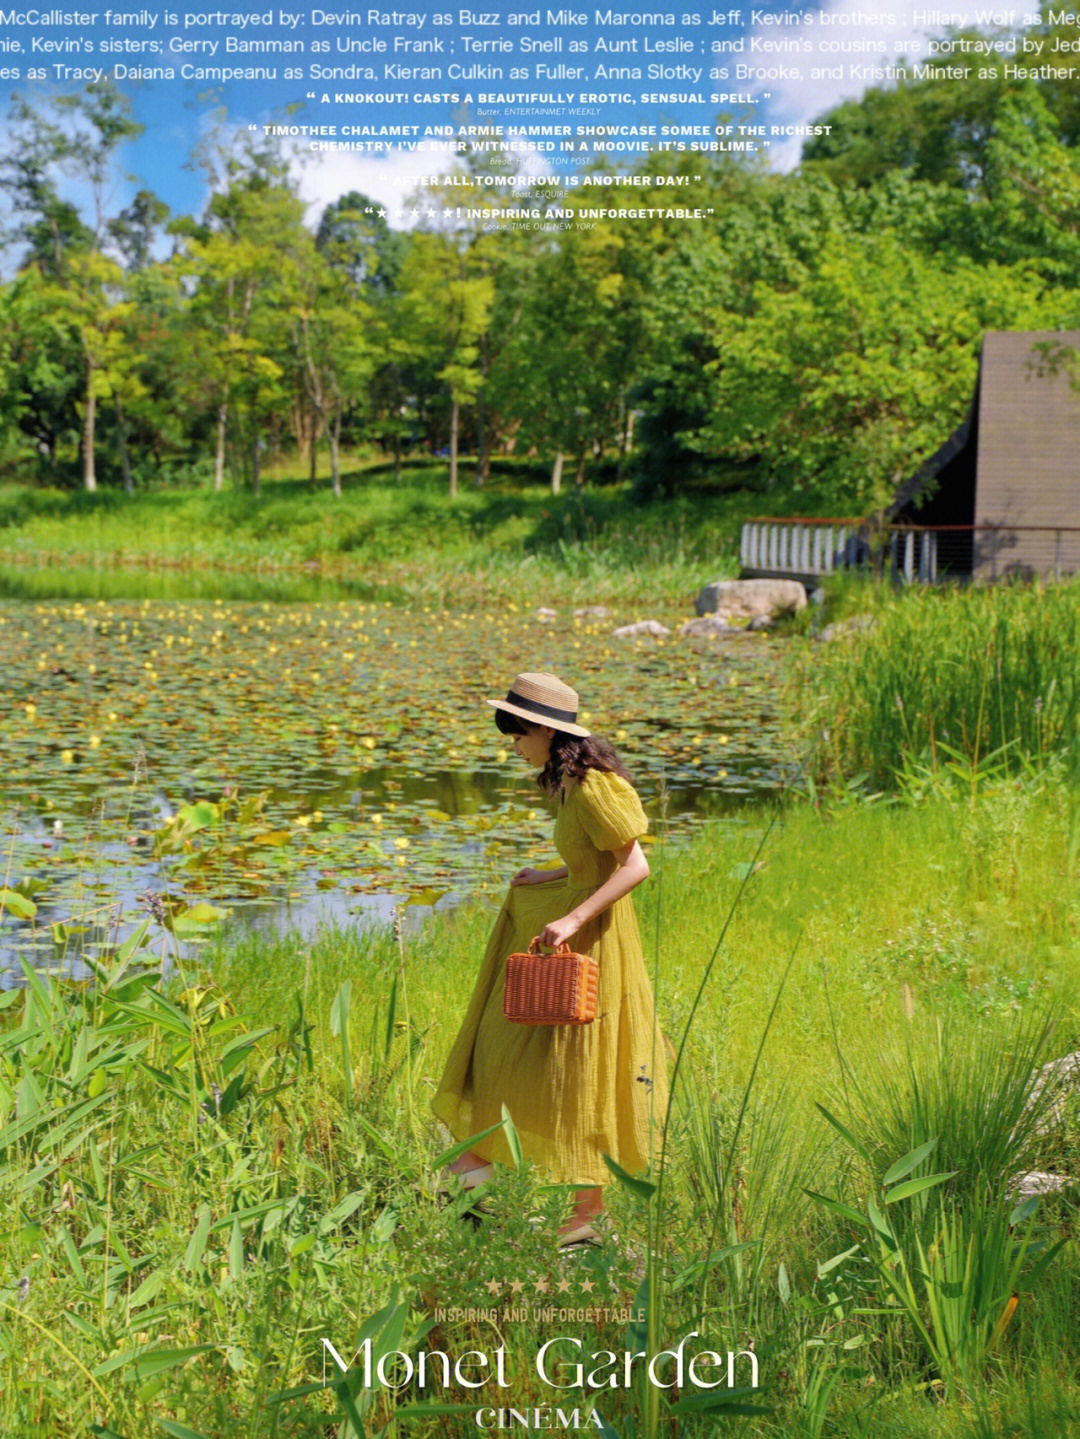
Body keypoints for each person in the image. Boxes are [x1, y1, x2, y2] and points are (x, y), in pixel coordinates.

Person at [431, 671, 669, 1245]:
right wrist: (551, 875)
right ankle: (500, 1177)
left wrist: (572, 917)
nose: (510, 742)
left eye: (515, 730)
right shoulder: (565, 783)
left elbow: (634, 865)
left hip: (596, 938)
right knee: (516, 1051)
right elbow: (593, 859)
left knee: (585, 1065)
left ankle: (585, 1215)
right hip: (576, 920)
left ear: (543, 729)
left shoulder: (594, 786)